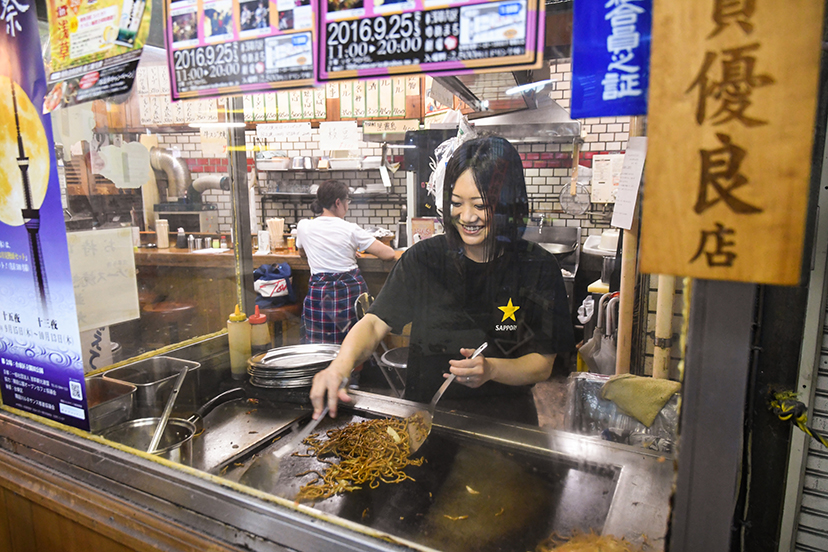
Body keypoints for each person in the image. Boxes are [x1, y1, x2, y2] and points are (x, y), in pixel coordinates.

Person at [310, 136, 575, 425]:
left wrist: (491, 370)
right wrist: (340, 366)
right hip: (425, 420)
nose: (467, 216)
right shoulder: (425, 259)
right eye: (457, 203)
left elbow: (542, 364)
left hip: (504, 425)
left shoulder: (536, 267)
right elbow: (374, 323)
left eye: (481, 204)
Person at [296, 180, 396, 345]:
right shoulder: (350, 229)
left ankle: (323, 369)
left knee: (320, 346)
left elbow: (301, 251)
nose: (347, 206)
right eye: (347, 201)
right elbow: (388, 254)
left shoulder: (304, 226)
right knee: (353, 344)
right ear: (338, 202)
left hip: (320, 295)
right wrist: (349, 249)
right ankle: (354, 369)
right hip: (349, 293)